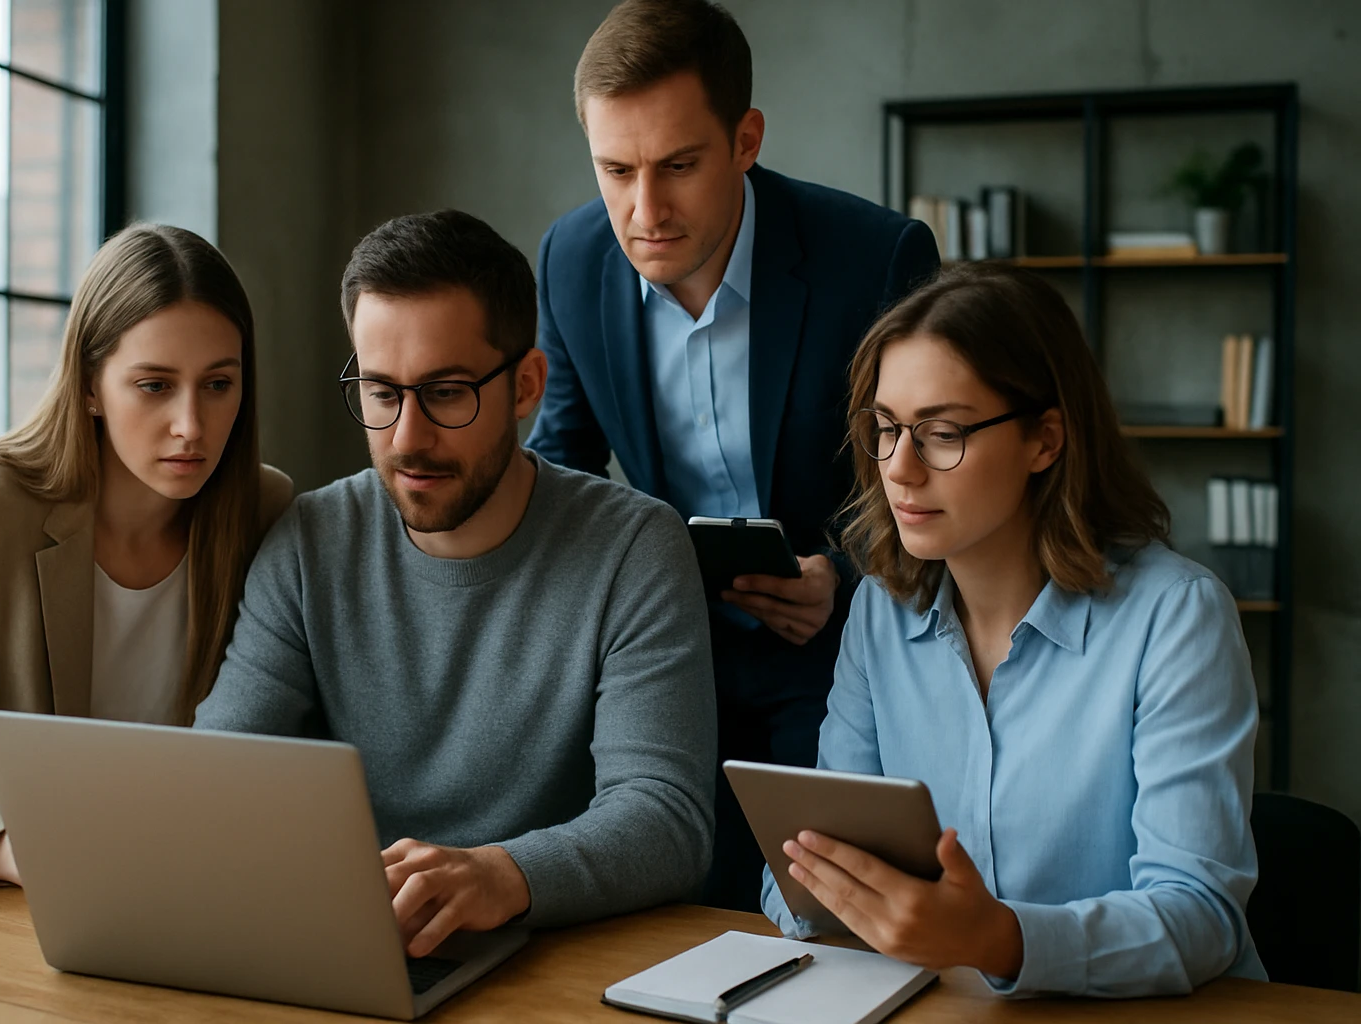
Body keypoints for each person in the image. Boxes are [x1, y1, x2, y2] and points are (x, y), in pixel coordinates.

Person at [193, 210, 716, 959]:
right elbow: (219, 776)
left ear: (527, 384)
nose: (407, 437)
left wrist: (501, 875)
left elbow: (668, 822)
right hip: (362, 953)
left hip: (555, 963)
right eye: (380, 392)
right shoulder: (308, 541)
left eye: (445, 393)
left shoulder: (634, 547)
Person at [525, 0, 941, 909]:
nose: (645, 210)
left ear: (745, 139)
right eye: (615, 170)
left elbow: (933, 469)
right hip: (663, 650)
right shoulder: (569, 259)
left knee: (811, 918)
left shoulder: (874, 260)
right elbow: (560, 464)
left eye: (678, 166)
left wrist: (840, 573)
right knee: (656, 899)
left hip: (837, 651)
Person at [762, 263, 1266, 997]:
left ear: (1045, 441)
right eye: (886, 429)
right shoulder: (880, 610)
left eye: (941, 433)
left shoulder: (1177, 617)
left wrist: (997, 938)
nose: (900, 469)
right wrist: (818, 894)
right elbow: (802, 873)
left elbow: (1201, 916)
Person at [0, 224, 293, 886]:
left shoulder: (262, 510)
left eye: (218, 384)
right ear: (88, 384)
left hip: (161, 885)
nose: (191, 425)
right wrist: (41, 856)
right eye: (154, 385)